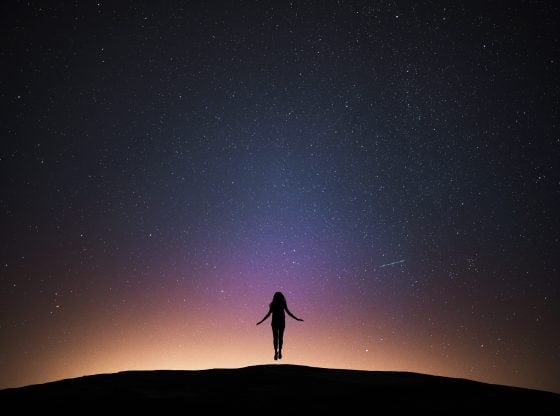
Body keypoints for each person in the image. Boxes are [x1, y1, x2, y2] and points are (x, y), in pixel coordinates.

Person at [256, 291, 303, 360]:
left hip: (276, 323)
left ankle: (276, 353)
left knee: (276, 338)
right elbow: (288, 313)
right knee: (280, 338)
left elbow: (268, 314)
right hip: (280, 322)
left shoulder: (274, 304)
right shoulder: (281, 304)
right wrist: (296, 318)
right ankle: (279, 352)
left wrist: (261, 321)